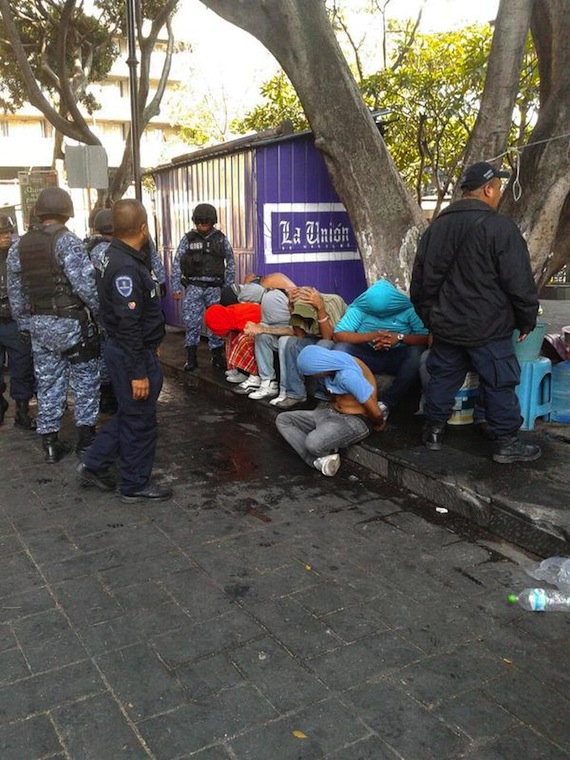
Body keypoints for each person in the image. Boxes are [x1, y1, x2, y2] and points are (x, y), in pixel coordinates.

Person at [410, 160, 541, 463]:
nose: (498, 194)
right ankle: (506, 443)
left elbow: (419, 285)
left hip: (447, 325)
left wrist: (432, 319)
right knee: (499, 381)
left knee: (443, 377)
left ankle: (432, 431)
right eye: (498, 188)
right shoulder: (501, 228)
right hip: (488, 326)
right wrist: (527, 319)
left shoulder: (435, 229)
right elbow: (519, 281)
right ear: (488, 189)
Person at [77, 199, 172, 503]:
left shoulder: (114, 254)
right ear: (143, 227)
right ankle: (134, 484)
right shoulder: (126, 268)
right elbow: (129, 324)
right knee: (140, 422)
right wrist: (139, 372)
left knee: (130, 414)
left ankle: (93, 462)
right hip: (132, 353)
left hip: (130, 349)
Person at [7, 188, 100, 462]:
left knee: (48, 383)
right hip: (70, 324)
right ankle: (86, 440)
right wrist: (102, 314)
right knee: (85, 380)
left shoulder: (19, 246)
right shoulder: (67, 242)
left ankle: (50, 443)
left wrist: (25, 324)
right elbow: (87, 286)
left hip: (38, 325)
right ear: (66, 213)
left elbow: (16, 291)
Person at [276, 344, 385, 476]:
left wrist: (379, 424)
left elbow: (376, 411)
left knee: (313, 443)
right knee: (284, 419)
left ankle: (318, 457)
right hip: (332, 413)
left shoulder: (348, 375)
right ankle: (320, 461)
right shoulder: (329, 370)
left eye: (312, 374)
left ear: (320, 369)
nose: (312, 377)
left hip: (357, 420)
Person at [332, 279, 429, 419]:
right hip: (368, 356)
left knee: (417, 352)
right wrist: (369, 337)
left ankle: (386, 403)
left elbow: (426, 337)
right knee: (340, 349)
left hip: (398, 356)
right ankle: (346, 399)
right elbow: (338, 335)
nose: (382, 316)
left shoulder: (409, 309)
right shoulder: (359, 308)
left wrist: (399, 338)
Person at [171, 203, 235, 372]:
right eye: (199, 222)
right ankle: (191, 358)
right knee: (192, 323)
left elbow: (230, 262)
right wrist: (176, 287)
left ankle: (217, 357)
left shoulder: (220, 238)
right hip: (194, 286)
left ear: (212, 222)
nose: (202, 226)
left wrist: (228, 287)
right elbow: (177, 262)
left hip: (215, 287)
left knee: (216, 323)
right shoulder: (188, 238)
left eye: (205, 222)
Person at [270, 287, 347, 409]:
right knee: (292, 343)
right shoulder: (298, 307)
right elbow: (300, 335)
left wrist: (320, 309)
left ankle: (323, 396)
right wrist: (291, 309)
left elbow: (329, 337)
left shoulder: (333, 301)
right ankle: (296, 394)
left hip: (337, 341)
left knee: (322, 346)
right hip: (317, 338)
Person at [0, 214, 36, 430]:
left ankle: (22, 411)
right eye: (1, 233)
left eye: (7, 232)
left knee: (21, 368)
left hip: (15, 319)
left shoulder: (19, 255)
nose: (5, 237)